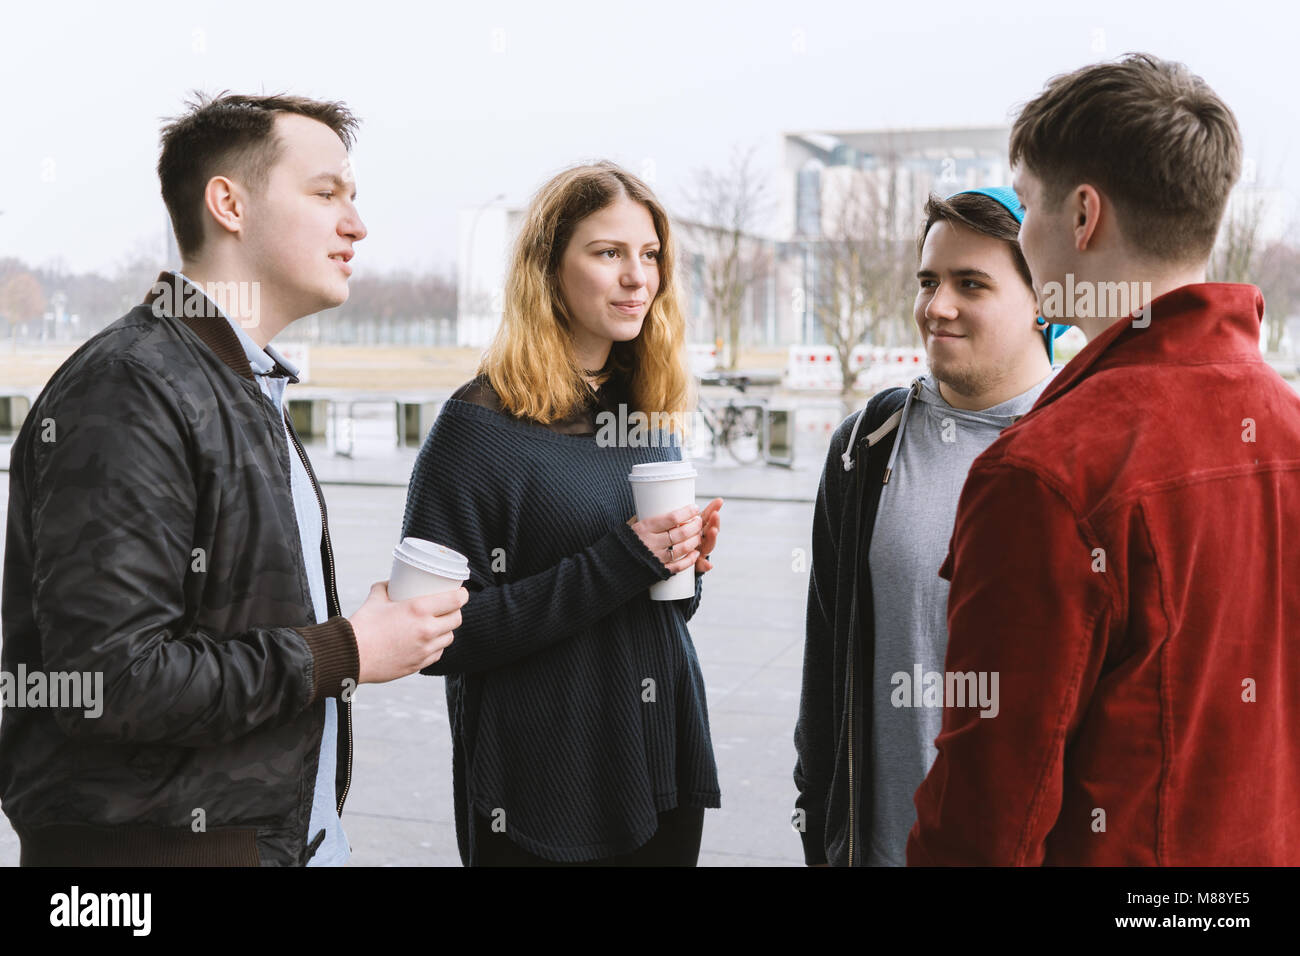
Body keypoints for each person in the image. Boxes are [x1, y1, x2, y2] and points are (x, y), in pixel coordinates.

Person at [0, 92, 466, 866]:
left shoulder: (237, 384)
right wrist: (346, 648)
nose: (356, 223)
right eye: (326, 193)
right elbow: (113, 680)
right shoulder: (131, 387)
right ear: (229, 204)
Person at [908, 53, 1300, 865]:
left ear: (1084, 215)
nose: (1023, 233)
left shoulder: (1047, 472)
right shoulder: (1288, 428)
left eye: (1028, 207)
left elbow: (987, 817)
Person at [401, 161, 724, 866]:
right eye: (609, 253)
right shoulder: (475, 427)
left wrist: (682, 562)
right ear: (547, 267)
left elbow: (651, 607)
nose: (637, 277)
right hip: (541, 792)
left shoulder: (641, 410)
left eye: (650, 256)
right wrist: (624, 559)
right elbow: (435, 639)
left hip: (660, 765)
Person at [794, 186, 1063, 866]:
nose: (936, 306)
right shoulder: (867, 443)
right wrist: (820, 823)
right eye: (927, 281)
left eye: (970, 284)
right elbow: (826, 655)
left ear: (1045, 304)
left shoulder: (1088, 450)